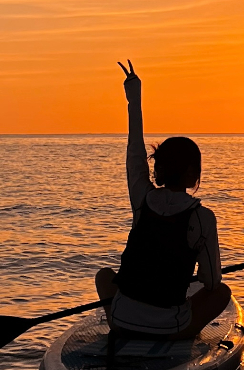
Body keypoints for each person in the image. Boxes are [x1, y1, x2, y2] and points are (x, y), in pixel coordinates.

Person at [94, 60, 231, 341]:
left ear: (158, 170)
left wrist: (134, 97)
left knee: (104, 276)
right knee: (222, 293)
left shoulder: (143, 199)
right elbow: (212, 281)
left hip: (121, 320)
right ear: (193, 172)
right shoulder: (202, 217)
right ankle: (175, 331)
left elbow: (134, 152)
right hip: (171, 328)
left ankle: (131, 322)